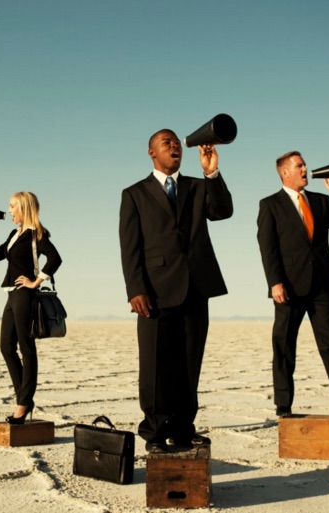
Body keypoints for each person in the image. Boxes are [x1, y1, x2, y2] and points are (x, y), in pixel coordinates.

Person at [119, 129, 233, 453]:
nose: (174, 146)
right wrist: (135, 288)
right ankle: (154, 434)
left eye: (176, 142)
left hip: (196, 287)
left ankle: (183, 429)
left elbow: (223, 211)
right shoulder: (134, 194)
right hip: (154, 292)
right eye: (166, 142)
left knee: (189, 364)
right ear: (151, 152)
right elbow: (130, 247)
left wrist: (211, 171)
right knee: (155, 367)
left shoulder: (198, 186)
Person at [256, 151, 329, 418]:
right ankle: (283, 406)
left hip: (322, 286)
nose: (305, 169)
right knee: (284, 345)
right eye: (299, 166)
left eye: (304, 165)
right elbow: (267, 248)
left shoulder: (321, 200)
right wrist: (275, 283)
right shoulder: (270, 205)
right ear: (285, 172)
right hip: (288, 287)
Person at [0, 191, 62, 424]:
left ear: (24, 208)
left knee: (27, 348)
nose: (9, 211)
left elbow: (55, 258)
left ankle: (23, 403)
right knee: (6, 346)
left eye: (13, 206)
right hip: (11, 294)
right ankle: (24, 399)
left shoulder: (37, 234)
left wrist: (37, 280)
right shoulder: (15, 234)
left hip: (25, 295)